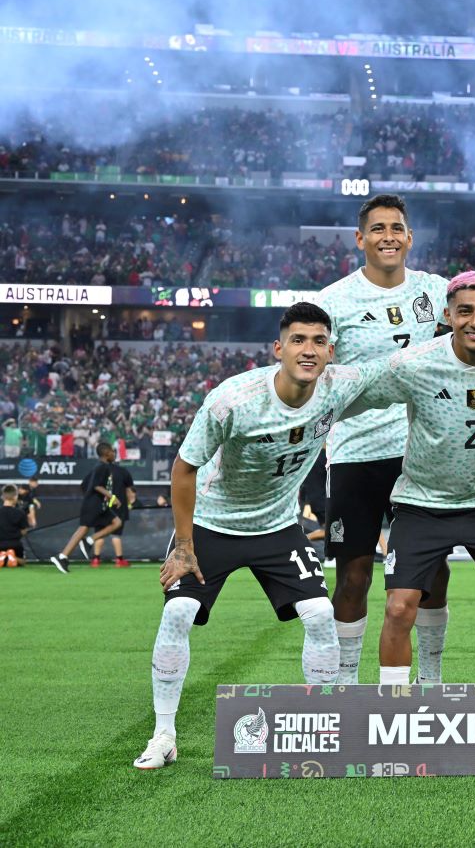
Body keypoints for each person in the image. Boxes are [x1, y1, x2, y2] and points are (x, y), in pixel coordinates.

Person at [133, 302, 386, 770]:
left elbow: (401, 365)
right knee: (179, 611)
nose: (308, 350)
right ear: (278, 348)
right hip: (213, 524)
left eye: (317, 342)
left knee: (318, 613)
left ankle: (326, 725)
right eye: (297, 340)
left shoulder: (340, 386)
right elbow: (184, 467)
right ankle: (163, 734)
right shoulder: (233, 399)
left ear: (331, 351)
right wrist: (184, 546)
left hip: (275, 525)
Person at [355, 272, 475, 686]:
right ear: (447, 315)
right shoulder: (413, 364)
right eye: (464, 312)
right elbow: (353, 391)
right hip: (421, 503)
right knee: (398, 607)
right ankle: (395, 707)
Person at [316, 193, 452, 685]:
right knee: (354, 574)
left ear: (410, 238)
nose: (388, 236)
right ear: (360, 239)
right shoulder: (333, 302)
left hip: (426, 451)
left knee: (432, 571)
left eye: (396, 228)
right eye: (378, 229)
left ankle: (431, 679)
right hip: (357, 453)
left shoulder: (436, 290)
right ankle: (347, 683)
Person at [50, 443, 123, 573]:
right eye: (113, 451)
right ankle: (62, 557)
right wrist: (111, 497)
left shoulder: (97, 467)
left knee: (116, 522)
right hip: (93, 504)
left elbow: (84, 485)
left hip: (99, 504)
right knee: (83, 529)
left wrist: (97, 497)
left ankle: (89, 541)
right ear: (107, 453)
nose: (114, 454)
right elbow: (96, 486)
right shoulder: (103, 467)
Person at [92, 461, 135, 568]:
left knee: (100, 532)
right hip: (118, 507)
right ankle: (119, 560)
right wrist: (130, 503)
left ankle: (96, 560)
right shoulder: (123, 471)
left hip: (101, 505)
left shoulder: (98, 470)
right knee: (116, 534)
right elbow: (129, 490)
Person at [0, 484, 27, 567]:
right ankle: (12, 557)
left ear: (3, 497)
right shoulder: (20, 513)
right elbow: (24, 531)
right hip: (15, 544)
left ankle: (3, 556)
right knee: (23, 562)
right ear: (15, 497)